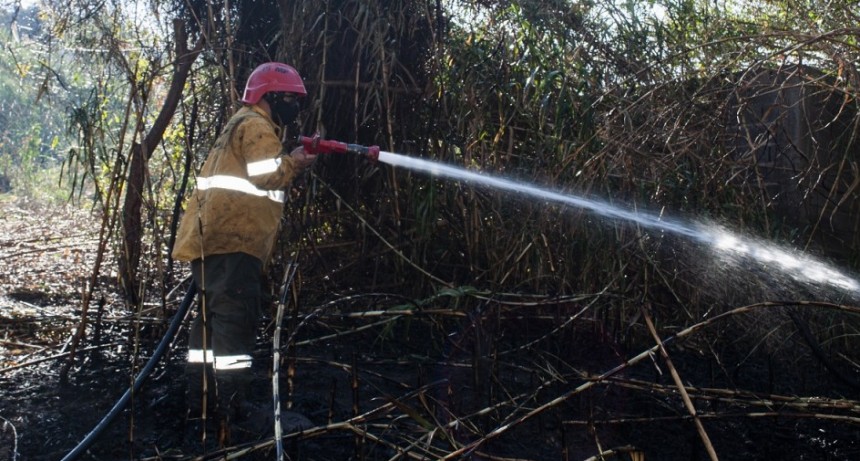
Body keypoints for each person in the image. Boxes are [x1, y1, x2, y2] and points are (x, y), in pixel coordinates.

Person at [171, 62, 316, 448]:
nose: (294, 108)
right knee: (235, 322)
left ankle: (200, 404)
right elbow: (267, 173)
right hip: (234, 243)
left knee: (208, 328)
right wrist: (296, 162)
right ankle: (234, 412)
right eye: (289, 99)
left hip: (212, 242)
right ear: (269, 96)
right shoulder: (255, 125)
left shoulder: (236, 124)